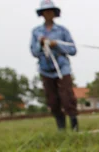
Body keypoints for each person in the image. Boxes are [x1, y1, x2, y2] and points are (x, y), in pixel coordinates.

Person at [30, 0, 78, 131]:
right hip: (45, 70)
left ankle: (74, 126)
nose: (48, 13)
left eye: (50, 11)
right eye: (45, 11)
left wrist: (56, 44)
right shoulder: (36, 32)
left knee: (68, 98)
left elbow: (73, 49)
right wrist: (41, 44)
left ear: (54, 13)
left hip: (62, 69)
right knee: (52, 101)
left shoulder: (62, 31)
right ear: (42, 14)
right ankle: (61, 127)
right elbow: (34, 52)